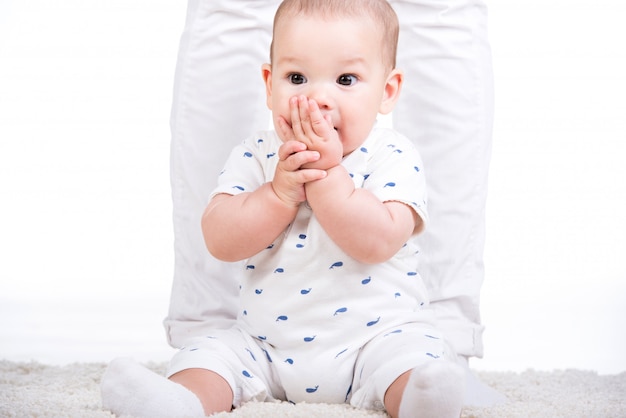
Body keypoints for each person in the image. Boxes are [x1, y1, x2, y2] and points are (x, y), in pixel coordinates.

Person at [102, 1, 468, 417]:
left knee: (415, 357)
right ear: (268, 83)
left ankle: (422, 401)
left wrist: (329, 176)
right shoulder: (257, 155)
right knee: (212, 353)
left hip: (377, 339)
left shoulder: (394, 155)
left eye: (346, 79)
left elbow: (379, 242)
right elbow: (219, 239)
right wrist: (277, 195)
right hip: (266, 345)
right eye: (297, 77)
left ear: (387, 91)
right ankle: (179, 402)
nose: (317, 98)